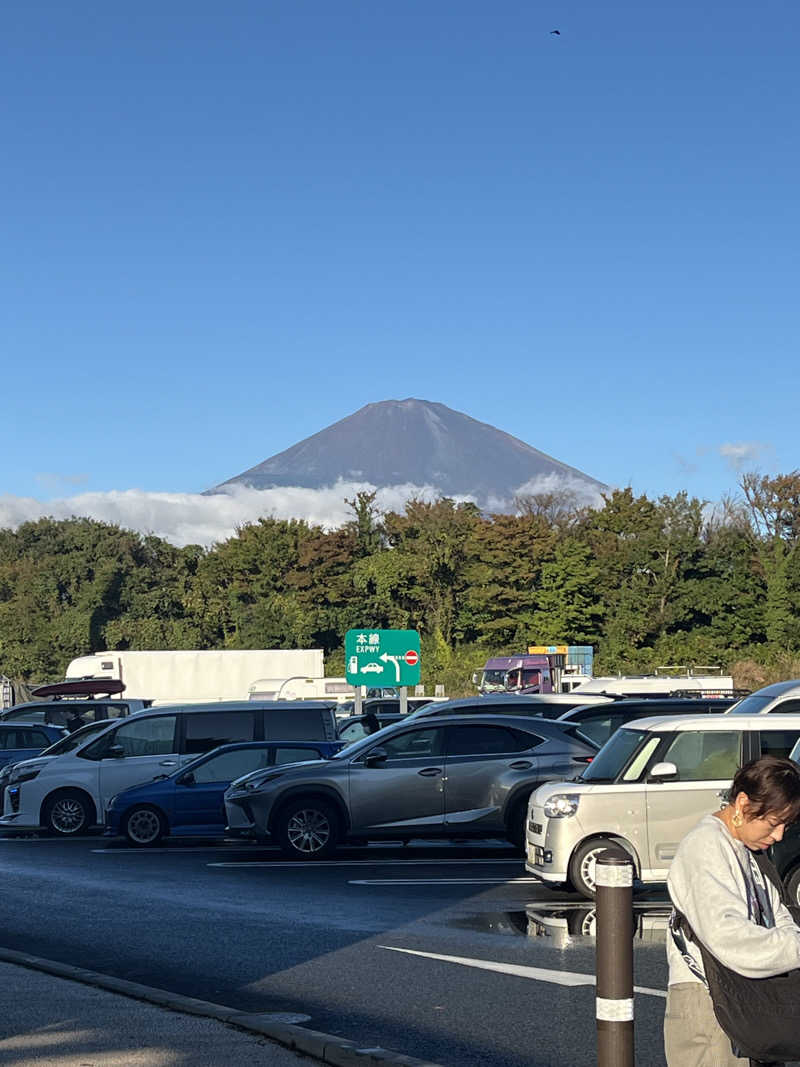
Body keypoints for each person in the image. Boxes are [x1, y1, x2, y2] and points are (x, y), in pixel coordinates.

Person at [665, 756, 800, 1066]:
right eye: (773, 822)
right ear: (742, 804)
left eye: (786, 825)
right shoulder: (706, 847)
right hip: (711, 1005)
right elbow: (731, 939)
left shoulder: (745, 849)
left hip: (741, 1004)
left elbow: (780, 915)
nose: (779, 835)